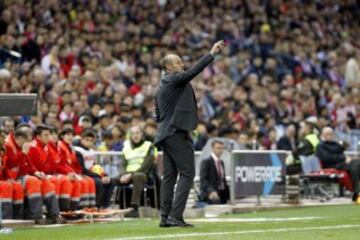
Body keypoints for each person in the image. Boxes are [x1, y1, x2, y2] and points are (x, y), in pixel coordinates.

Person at [154, 40, 225, 227]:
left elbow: (158, 114)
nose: (182, 64)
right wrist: (212, 53)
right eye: (178, 62)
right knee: (187, 173)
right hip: (176, 133)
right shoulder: (172, 79)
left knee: (169, 176)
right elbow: (193, 72)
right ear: (169, 67)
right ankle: (175, 216)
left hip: (166, 133)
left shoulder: (161, 86)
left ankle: (165, 217)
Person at [112, 125, 156, 217]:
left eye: (137, 133)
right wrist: (123, 175)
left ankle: (134, 208)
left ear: (142, 134)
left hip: (144, 175)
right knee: (112, 179)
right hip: (128, 174)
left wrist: (131, 174)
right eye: (133, 133)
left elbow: (146, 165)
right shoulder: (126, 147)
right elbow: (122, 165)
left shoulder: (149, 146)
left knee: (137, 176)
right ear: (130, 135)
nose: (135, 135)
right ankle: (106, 207)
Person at [27, 125, 73, 212]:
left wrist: (67, 173)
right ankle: (52, 210)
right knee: (56, 180)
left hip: (47, 173)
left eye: (49, 135)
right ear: (38, 136)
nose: (48, 137)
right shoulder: (33, 147)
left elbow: (52, 164)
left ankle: (64, 209)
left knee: (64, 180)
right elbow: (37, 167)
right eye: (46, 135)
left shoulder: (46, 146)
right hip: (37, 174)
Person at [315, 127, 360, 203]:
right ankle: (356, 193)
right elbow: (327, 158)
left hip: (341, 163)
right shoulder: (320, 146)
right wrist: (343, 158)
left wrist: (347, 158)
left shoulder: (336, 144)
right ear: (322, 135)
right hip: (331, 165)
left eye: (331, 134)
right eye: (327, 134)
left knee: (357, 163)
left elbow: (343, 151)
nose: (330, 135)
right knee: (355, 167)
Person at [73, 129, 113, 209]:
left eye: (91, 141)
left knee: (110, 181)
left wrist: (104, 175)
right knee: (98, 182)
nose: (89, 142)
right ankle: (95, 206)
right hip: (81, 174)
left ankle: (105, 206)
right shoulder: (77, 151)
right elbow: (82, 169)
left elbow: (94, 166)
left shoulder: (91, 151)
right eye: (87, 140)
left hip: (91, 173)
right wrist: (99, 177)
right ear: (81, 139)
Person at [200, 140, 229, 204]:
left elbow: (223, 179)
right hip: (211, 193)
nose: (220, 150)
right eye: (218, 148)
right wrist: (211, 191)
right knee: (216, 201)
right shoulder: (206, 161)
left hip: (222, 193)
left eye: (222, 148)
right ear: (213, 148)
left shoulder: (221, 162)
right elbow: (203, 180)